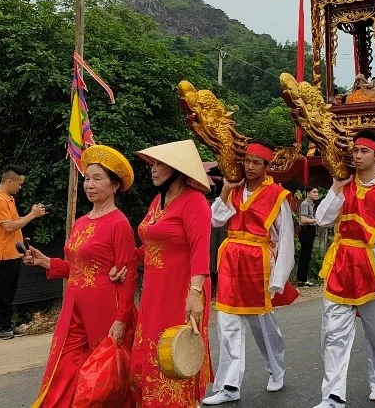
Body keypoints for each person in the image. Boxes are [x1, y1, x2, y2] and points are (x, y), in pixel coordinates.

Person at [25, 147, 136, 406]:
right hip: (74, 307)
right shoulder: (81, 222)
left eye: (98, 178)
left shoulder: (119, 224)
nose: (90, 185)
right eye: (87, 178)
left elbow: (128, 276)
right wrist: (45, 262)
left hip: (104, 306)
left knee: (104, 373)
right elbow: (77, 267)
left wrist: (121, 320)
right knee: (64, 367)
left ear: (115, 185)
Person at [312, 129, 375, 407]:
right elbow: (322, 218)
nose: (358, 155)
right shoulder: (344, 185)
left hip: (371, 270)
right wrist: (336, 188)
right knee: (334, 334)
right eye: (355, 151)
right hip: (341, 265)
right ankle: (333, 396)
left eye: (364, 151)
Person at [204, 141, 296, 405]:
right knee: (227, 323)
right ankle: (229, 386)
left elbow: (286, 238)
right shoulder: (233, 190)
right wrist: (224, 191)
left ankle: (276, 367)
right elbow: (216, 219)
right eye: (248, 161)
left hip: (259, 264)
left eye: (257, 162)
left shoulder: (276, 195)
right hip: (232, 260)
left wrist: (279, 278)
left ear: (267, 167)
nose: (250, 167)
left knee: (262, 324)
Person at [130, 140, 215, 407]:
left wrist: (195, 294)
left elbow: (201, 251)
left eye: (159, 164)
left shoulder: (195, 202)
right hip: (154, 289)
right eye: (152, 164)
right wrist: (125, 260)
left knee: (174, 354)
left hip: (182, 288)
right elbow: (151, 246)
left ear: (178, 169)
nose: (152, 169)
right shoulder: (158, 201)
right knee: (147, 355)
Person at [0, 165, 47, 341]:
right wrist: (32, 215)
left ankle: (5, 325)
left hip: (13, 252)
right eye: (19, 184)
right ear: (9, 181)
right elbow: (8, 226)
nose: (20, 187)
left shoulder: (8, 199)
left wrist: (32, 215)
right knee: (2, 292)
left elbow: (16, 221)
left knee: (9, 291)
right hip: (3, 253)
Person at [297, 187, 322, 286]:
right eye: (314, 192)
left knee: (307, 255)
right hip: (306, 230)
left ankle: (303, 279)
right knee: (304, 255)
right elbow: (303, 220)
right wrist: (316, 219)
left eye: (317, 192)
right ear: (308, 193)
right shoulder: (305, 204)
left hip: (310, 230)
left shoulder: (311, 204)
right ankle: (301, 279)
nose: (316, 194)